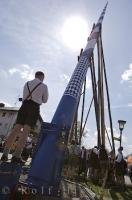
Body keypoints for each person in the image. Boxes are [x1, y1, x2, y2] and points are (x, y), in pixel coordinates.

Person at [1, 71, 48, 163]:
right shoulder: (43, 86)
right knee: (25, 132)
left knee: (15, 130)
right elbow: (45, 100)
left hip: (24, 106)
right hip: (34, 107)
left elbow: (24, 97)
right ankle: (17, 155)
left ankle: (5, 154)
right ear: (42, 77)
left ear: (35, 76)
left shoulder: (27, 83)